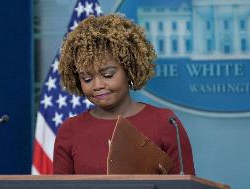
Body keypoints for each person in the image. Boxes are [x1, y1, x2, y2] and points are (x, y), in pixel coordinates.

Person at [53, 14, 195, 175]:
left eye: (108, 75)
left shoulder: (166, 123)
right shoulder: (70, 130)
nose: (97, 85)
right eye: (87, 79)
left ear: (128, 70)